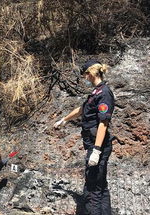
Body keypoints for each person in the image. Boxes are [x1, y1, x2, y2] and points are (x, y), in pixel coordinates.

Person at [54, 60, 115, 215]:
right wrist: (65, 119)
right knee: (100, 185)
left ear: (92, 72)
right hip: (94, 144)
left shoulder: (104, 93)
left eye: (86, 74)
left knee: (92, 187)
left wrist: (96, 150)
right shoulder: (96, 92)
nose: (85, 77)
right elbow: (81, 109)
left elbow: (103, 123)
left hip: (98, 146)